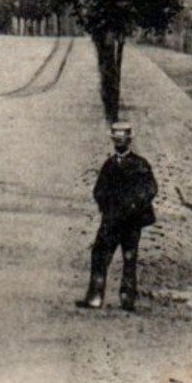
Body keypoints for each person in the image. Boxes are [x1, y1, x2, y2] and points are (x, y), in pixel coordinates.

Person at [77, 121, 157, 312]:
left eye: (122, 139)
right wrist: (106, 206)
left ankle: (127, 297)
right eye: (116, 139)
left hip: (130, 221)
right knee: (100, 254)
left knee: (129, 257)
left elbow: (150, 189)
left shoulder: (140, 164)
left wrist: (134, 205)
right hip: (112, 220)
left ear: (128, 141)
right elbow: (99, 190)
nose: (119, 143)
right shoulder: (110, 164)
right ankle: (95, 296)